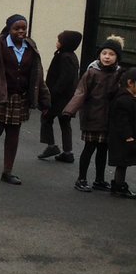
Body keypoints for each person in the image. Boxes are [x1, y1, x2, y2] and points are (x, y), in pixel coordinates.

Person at [0, 14, 50, 184]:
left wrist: (44, 99)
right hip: (0, 95)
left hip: (20, 98)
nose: (21, 31)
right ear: (9, 29)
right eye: (16, 28)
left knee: (13, 134)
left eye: (23, 28)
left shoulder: (30, 47)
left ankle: (7, 172)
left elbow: (38, 75)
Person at [63, 37, 124, 193]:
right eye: (104, 53)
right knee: (89, 148)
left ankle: (99, 179)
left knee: (103, 151)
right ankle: (81, 179)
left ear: (117, 57)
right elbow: (80, 92)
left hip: (109, 119)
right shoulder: (92, 72)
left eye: (111, 54)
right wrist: (69, 111)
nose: (107, 57)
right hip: (92, 116)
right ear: (99, 55)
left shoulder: (119, 74)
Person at [37, 29, 82, 163]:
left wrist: (51, 94)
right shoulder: (70, 56)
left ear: (65, 43)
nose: (57, 42)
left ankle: (51, 145)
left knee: (46, 118)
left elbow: (63, 80)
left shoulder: (64, 57)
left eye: (59, 40)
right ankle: (68, 152)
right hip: (67, 97)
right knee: (65, 122)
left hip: (59, 97)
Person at [107, 67, 136, 198]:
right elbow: (122, 121)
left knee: (123, 163)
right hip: (123, 139)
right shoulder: (123, 100)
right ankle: (119, 186)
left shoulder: (126, 98)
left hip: (123, 138)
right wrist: (128, 136)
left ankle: (119, 185)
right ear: (131, 83)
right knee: (122, 163)